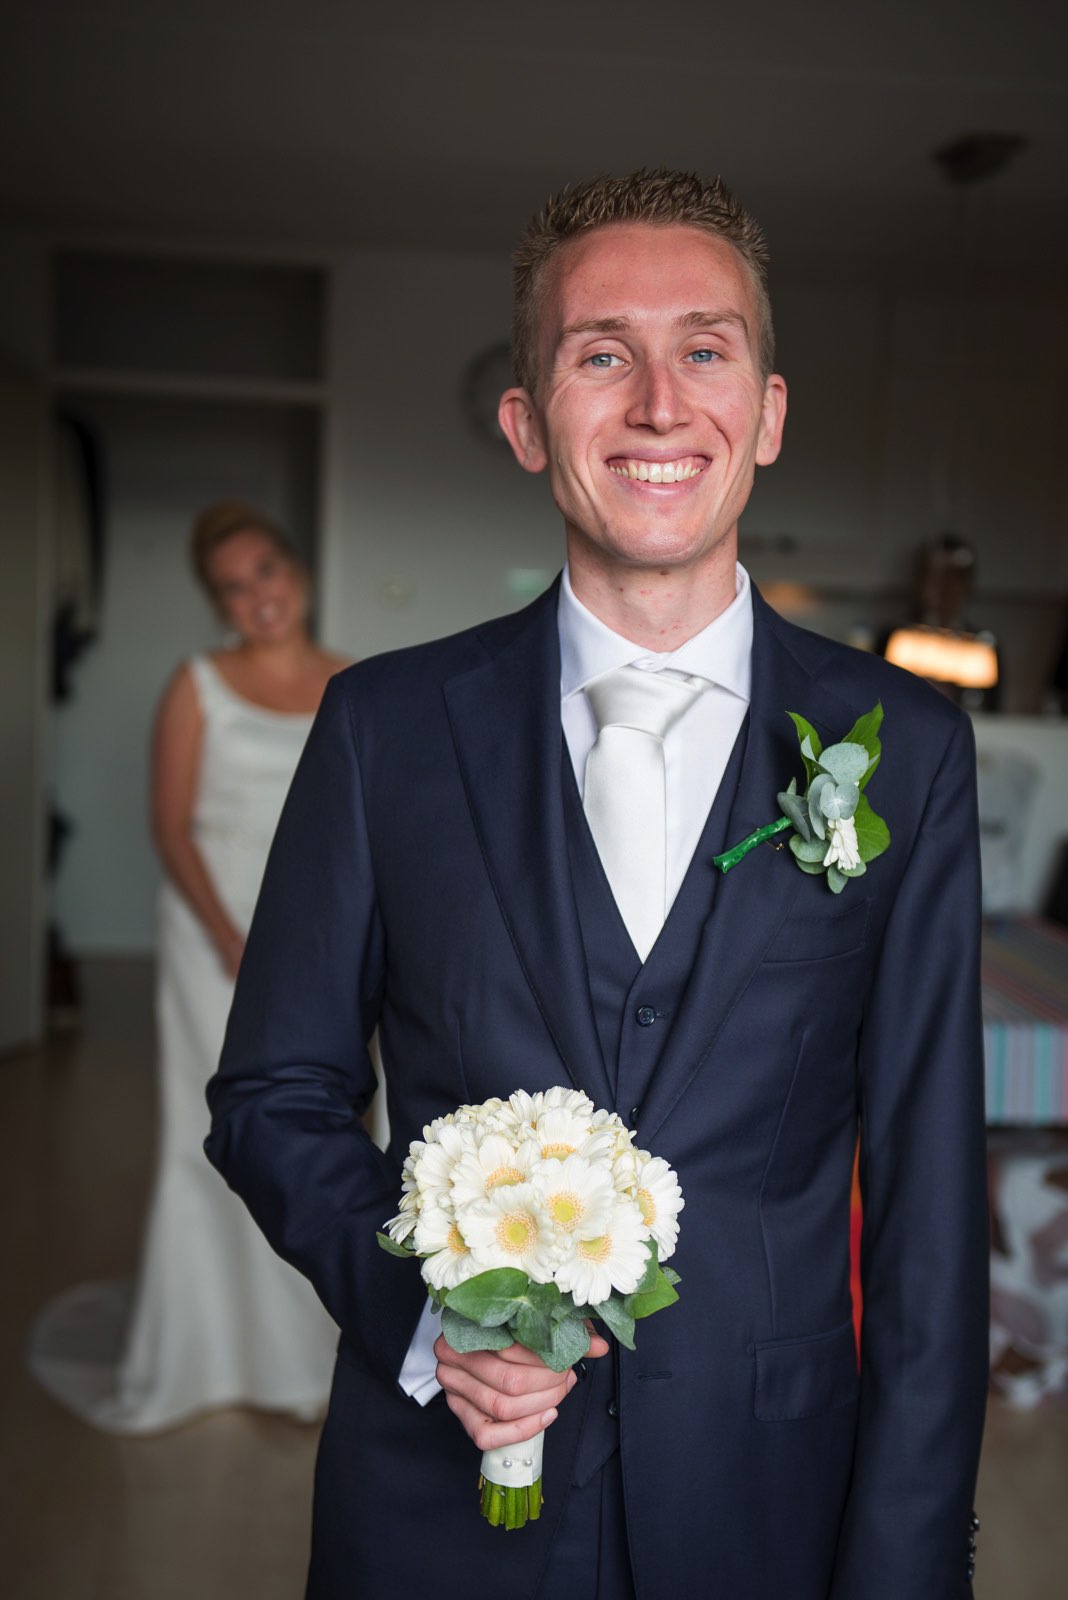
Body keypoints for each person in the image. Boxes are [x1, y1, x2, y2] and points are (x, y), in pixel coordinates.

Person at [206, 173, 989, 1596]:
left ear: (766, 412)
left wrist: (914, 1562)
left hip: (776, 1499)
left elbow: (932, 1204)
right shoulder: (383, 729)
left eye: (705, 349)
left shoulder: (911, 750)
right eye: (600, 354)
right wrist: (420, 1311)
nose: (657, 403)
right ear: (527, 423)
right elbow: (272, 1094)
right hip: (442, 1510)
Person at [30, 502, 343, 1432]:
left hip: (316, 938)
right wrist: (226, 930)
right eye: (234, 588)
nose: (258, 598)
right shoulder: (198, 683)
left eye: (267, 574)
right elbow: (169, 824)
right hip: (216, 935)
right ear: (219, 604)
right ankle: (208, 1347)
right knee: (220, 1127)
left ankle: (307, 1344)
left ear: (300, 575)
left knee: (320, 1128)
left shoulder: (357, 681)